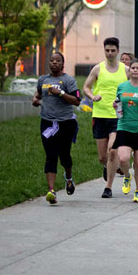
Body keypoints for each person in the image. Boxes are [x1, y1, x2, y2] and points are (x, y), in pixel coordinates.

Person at [83, 37, 129, 198]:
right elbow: (86, 87)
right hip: (100, 115)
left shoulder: (125, 70)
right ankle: (107, 166)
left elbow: (135, 86)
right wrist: (92, 96)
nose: (109, 53)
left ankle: (108, 187)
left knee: (112, 151)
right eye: (107, 50)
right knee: (103, 156)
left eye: (113, 50)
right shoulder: (98, 69)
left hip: (118, 116)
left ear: (117, 51)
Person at [32, 51, 81, 204]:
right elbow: (39, 94)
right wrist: (35, 99)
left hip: (65, 123)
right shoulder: (43, 80)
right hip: (47, 123)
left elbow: (77, 100)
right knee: (50, 156)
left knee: (64, 155)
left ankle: (68, 177)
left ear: (62, 63)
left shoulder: (68, 80)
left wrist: (60, 93)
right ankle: (51, 191)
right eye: (52, 60)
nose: (54, 63)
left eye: (57, 61)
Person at [107, 60, 138, 203]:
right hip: (125, 126)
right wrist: (115, 106)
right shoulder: (122, 87)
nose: (135, 70)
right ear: (130, 71)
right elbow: (118, 105)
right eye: (133, 68)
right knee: (123, 158)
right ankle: (127, 176)